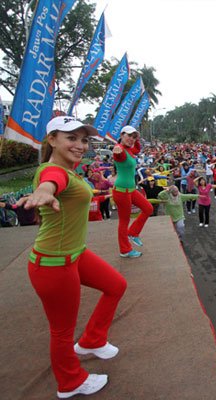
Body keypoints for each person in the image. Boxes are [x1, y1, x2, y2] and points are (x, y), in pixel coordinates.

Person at [18, 116, 127, 398]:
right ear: (52, 139)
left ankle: (92, 340)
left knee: (116, 286)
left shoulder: (70, 170)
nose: (80, 145)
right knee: (62, 332)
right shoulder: (53, 171)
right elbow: (49, 182)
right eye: (71, 138)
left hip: (75, 254)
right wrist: (44, 191)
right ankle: (70, 382)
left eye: (84, 139)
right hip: (54, 265)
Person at [112, 126, 153, 258]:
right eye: (129, 136)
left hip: (131, 190)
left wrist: (137, 140)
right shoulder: (121, 151)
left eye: (134, 137)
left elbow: (137, 149)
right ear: (122, 135)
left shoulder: (130, 150)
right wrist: (117, 149)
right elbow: (118, 154)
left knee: (148, 208)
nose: (131, 139)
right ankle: (125, 250)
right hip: (121, 191)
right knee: (124, 221)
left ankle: (133, 233)